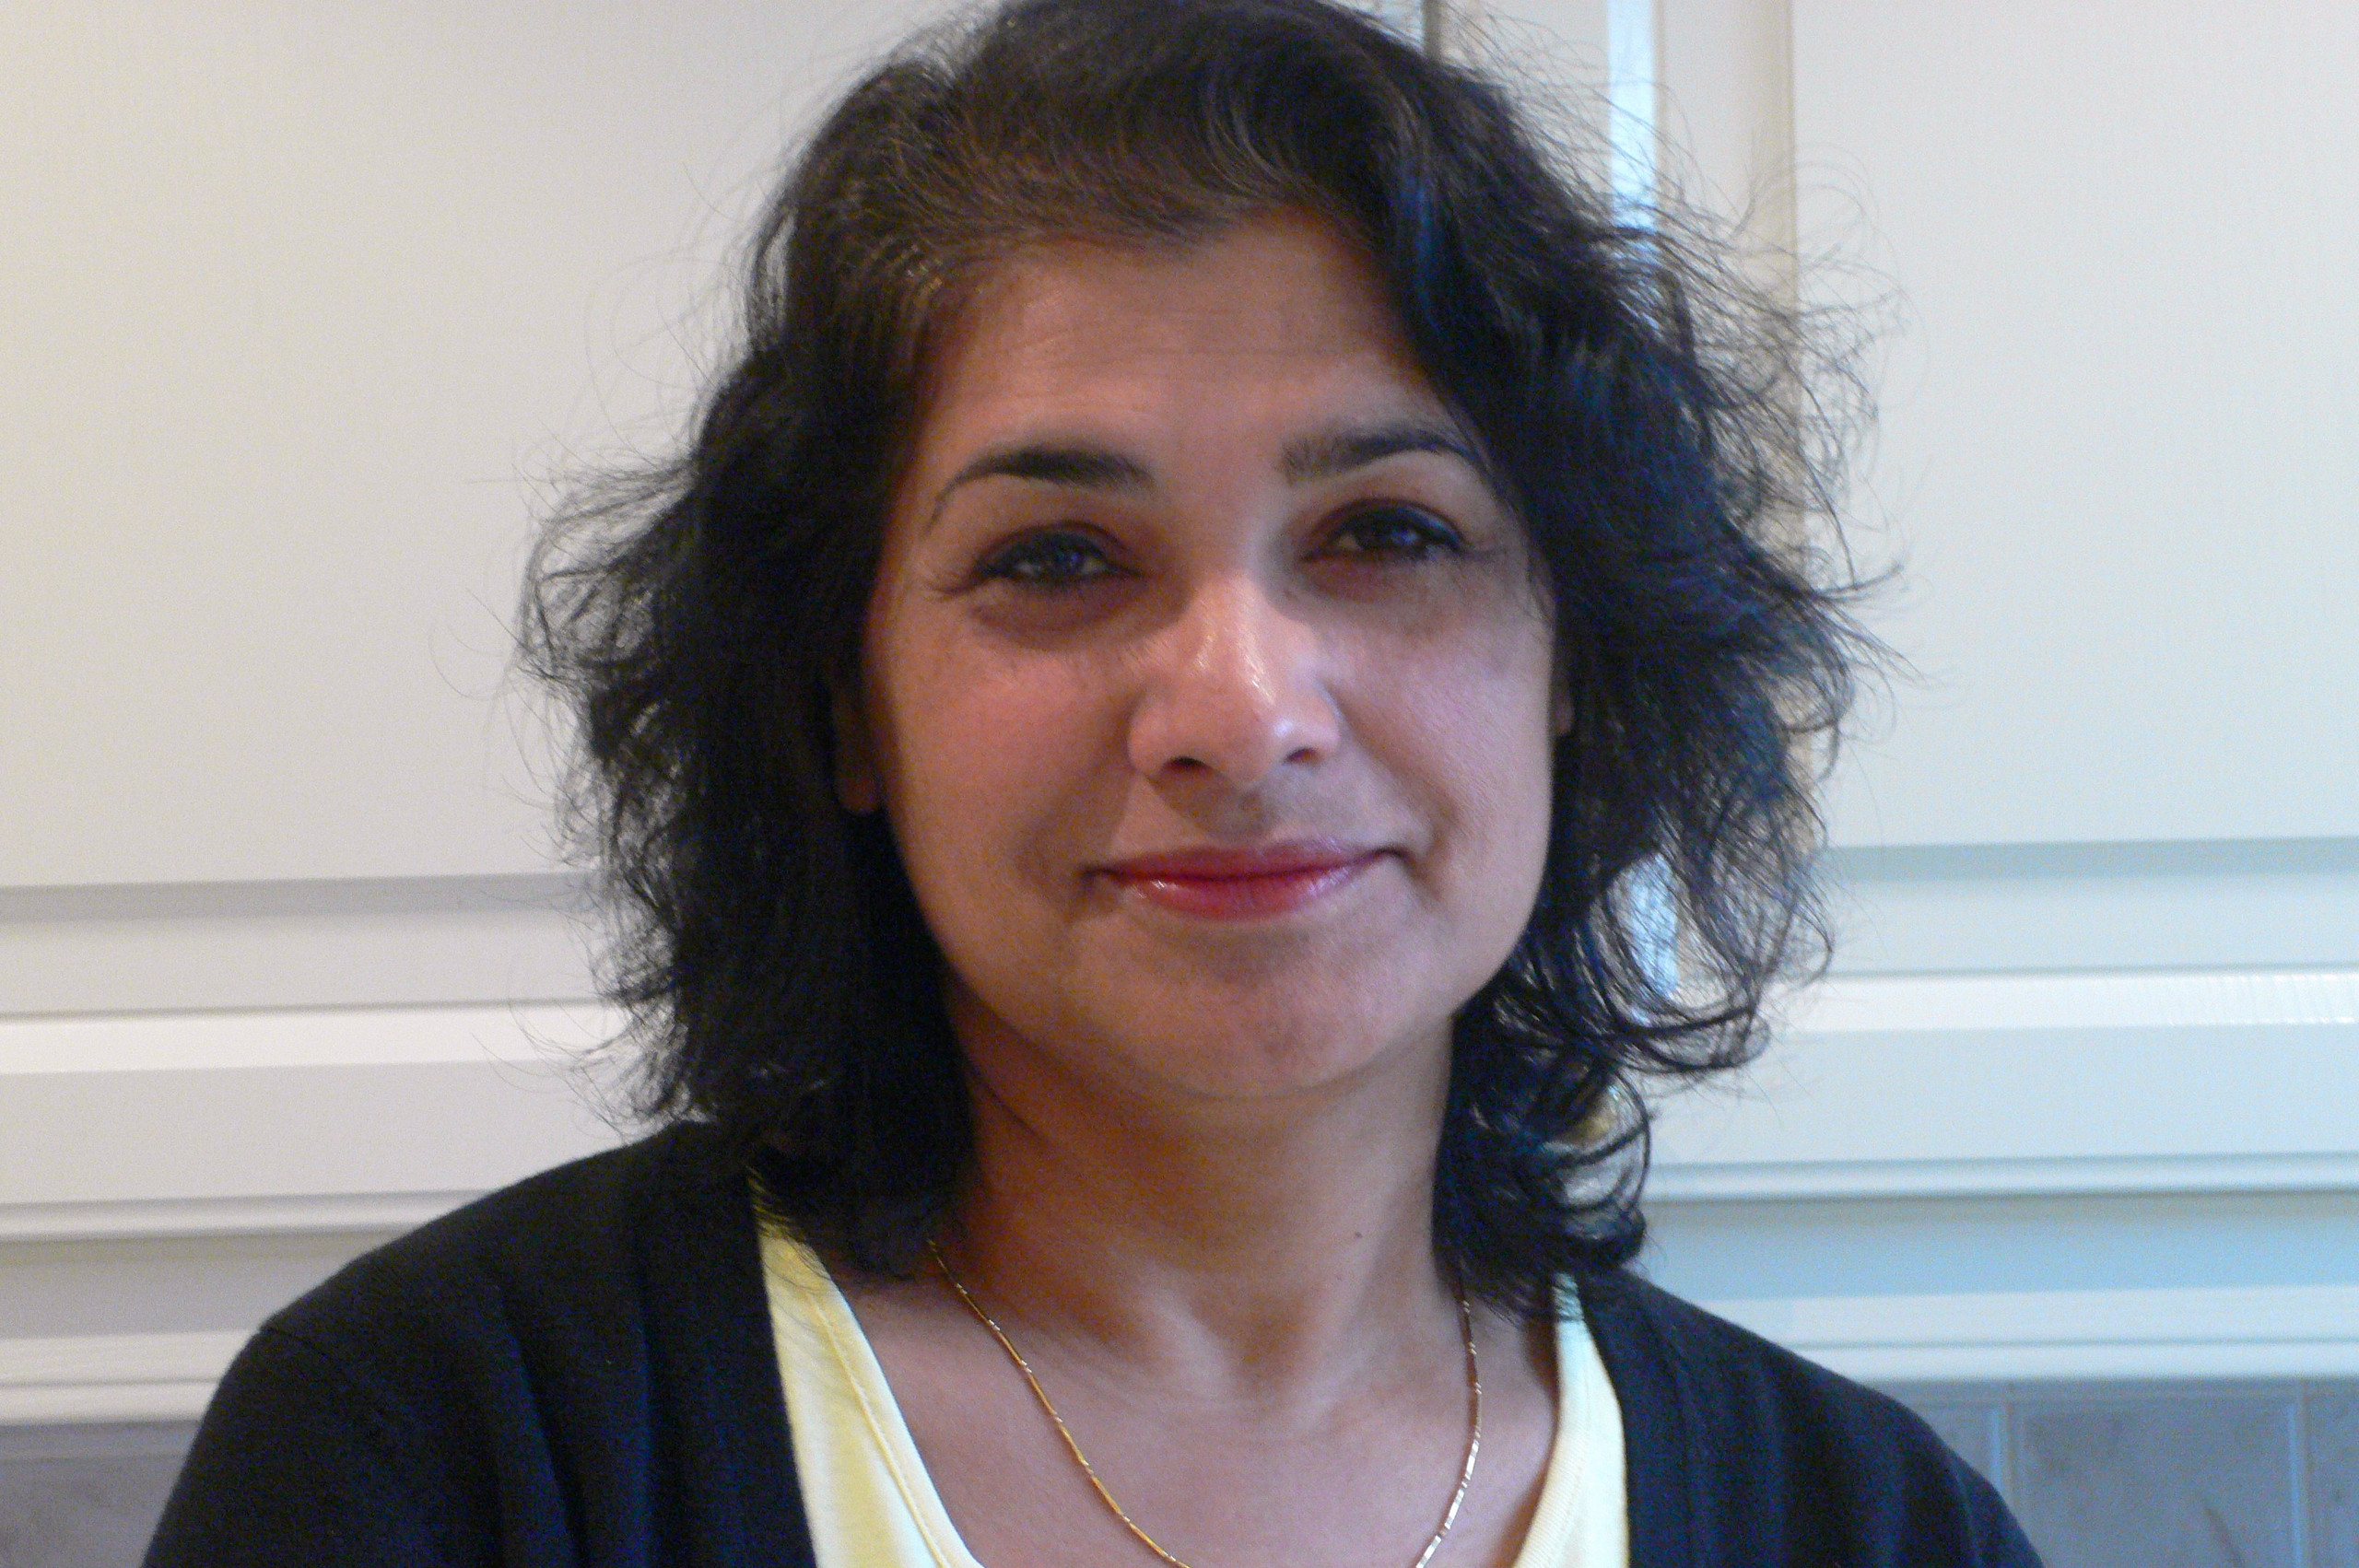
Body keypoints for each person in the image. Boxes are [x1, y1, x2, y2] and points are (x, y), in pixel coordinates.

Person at [147, 0, 2040, 1563]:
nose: (1242, 712)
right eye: (1057, 558)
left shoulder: (1866, 1525)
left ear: (1579, 658)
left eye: (1387, 531)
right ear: (843, 706)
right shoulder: (443, 1450)